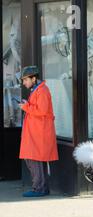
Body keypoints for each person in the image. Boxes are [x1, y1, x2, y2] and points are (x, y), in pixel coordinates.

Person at [19, 66, 58, 197]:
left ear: (33, 78)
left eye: (25, 79)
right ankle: (41, 188)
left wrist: (26, 106)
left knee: (34, 159)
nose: (24, 83)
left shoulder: (42, 91)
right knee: (34, 159)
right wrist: (27, 105)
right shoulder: (38, 90)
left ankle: (39, 189)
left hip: (39, 132)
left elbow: (41, 111)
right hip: (36, 131)